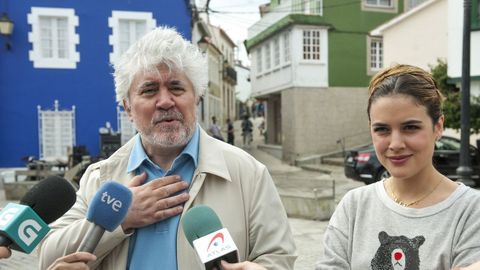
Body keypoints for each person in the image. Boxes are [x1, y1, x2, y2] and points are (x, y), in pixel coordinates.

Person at [38, 26, 295, 270]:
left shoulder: (248, 173)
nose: (165, 101)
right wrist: (121, 218)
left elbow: (278, 257)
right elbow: (48, 257)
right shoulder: (100, 177)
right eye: (149, 90)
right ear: (128, 108)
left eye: (176, 87)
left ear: (196, 98)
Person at [316, 64, 480, 269]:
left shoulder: (470, 212)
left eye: (410, 127)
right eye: (382, 129)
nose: (395, 144)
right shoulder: (354, 206)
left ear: (438, 126)